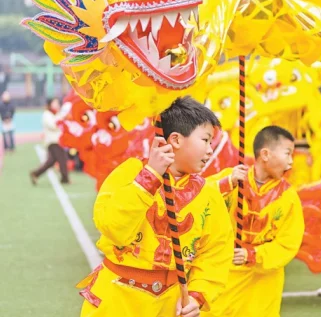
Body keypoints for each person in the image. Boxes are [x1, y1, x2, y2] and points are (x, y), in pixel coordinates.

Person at [77, 96, 233, 317]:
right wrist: (149, 177)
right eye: (205, 140)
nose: (210, 150)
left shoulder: (208, 193)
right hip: (118, 299)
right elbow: (113, 227)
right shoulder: (130, 172)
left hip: (171, 304)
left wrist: (198, 295)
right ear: (176, 140)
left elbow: (215, 252)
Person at [204, 126, 304, 317]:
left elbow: (288, 243)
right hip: (226, 269)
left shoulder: (289, 198)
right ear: (265, 154)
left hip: (264, 279)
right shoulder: (233, 179)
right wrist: (227, 183)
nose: (291, 162)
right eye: (287, 153)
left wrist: (253, 255)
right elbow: (197, 198)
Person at [30, 98, 69, 185]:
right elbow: (53, 125)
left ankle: (35, 173)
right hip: (52, 141)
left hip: (59, 140)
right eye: (55, 103)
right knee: (62, 159)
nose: (57, 104)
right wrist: (61, 120)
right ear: (50, 104)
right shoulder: (47, 114)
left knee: (51, 161)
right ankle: (65, 178)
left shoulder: (58, 113)